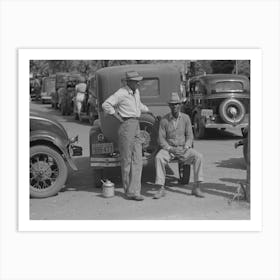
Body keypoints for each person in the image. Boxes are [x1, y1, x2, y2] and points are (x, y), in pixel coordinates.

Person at [102, 71, 149, 201]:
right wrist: (116, 115)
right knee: (127, 160)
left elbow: (138, 105)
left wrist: (148, 110)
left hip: (136, 124)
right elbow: (106, 104)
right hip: (126, 125)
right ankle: (129, 191)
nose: (138, 83)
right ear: (128, 82)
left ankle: (135, 191)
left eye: (138, 80)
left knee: (138, 159)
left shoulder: (136, 92)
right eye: (136, 81)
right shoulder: (121, 93)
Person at [153, 92, 204, 199]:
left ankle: (196, 187)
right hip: (169, 149)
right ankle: (160, 188)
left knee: (199, 156)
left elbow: (190, 136)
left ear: (180, 105)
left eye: (176, 104)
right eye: (172, 104)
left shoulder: (186, 118)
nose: (174, 106)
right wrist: (170, 149)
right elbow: (161, 138)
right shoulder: (164, 120)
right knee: (159, 157)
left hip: (183, 148)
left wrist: (186, 147)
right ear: (169, 106)